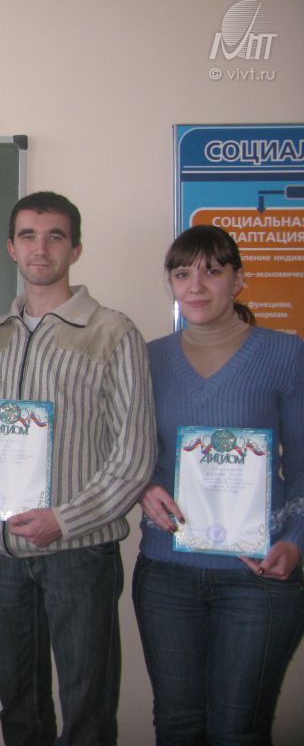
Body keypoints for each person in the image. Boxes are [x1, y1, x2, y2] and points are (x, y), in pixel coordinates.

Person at [0, 191, 156, 746]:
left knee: (87, 706)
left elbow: (134, 455)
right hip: (1, 551)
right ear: (11, 248)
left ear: (75, 249)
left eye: (55, 236)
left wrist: (64, 520)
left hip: (78, 553)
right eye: (28, 236)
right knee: (19, 704)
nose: (40, 248)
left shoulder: (113, 333)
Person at [134, 224, 304, 745]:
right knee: (177, 725)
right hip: (166, 572)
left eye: (212, 271)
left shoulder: (286, 353)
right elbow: (130, 453)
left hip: (257, 574)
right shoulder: (147, 358)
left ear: (239, 280)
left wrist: (296, 543)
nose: (196, 285)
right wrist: (142, 486)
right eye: (182, 273)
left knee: (238, 730)